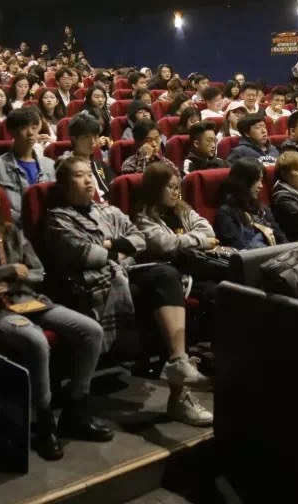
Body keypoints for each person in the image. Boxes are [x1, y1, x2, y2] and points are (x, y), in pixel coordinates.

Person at [0, 170, 110, 461]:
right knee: (36, 340)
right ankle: (45, 422)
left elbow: (38, 272)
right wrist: (0, 272)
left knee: (91, 330)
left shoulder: (11, 232)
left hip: (27, 300)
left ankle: (76, 409)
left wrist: (16, 281)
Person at [49, 157, 214, 427]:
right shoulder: (58, 218)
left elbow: (138, 240)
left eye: (89, 174)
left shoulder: (108, 211)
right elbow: (86, 254)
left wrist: (110, 245)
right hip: (94, 284)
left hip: (124, 273)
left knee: (166, 275)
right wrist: (118, 248)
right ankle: (179, 394)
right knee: (162, 296)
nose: (88, 179)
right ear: (64, 185)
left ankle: (178, 362)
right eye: (79, 175)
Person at [134, 161, 219, 260]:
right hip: (167, 264)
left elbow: (208, 231)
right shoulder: (144, 219)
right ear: (156, 189)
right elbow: (165, 244)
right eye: (171, 187)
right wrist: (202, 242)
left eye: (177, 188)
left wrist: (183, 241)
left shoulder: (182, 208)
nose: (176, 193)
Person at [0, 107, 56, 224]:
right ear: (12, 132)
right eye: (24, 128)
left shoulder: (50, 165)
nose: (30, 133)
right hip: (13, 227)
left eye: (34, 127)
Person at [214, 158, 286, 249]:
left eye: (261, 180)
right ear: (243, 182)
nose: (261, 186)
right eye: (257, 181)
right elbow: (239, 247)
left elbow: (281, 238)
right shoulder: (225, 213)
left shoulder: (262, 209)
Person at [59, 114, 114, 202]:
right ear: (74, 139)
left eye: (95, 136)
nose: (92, 141)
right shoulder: (66, 166)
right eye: (86, 137)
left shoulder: (100, 164)